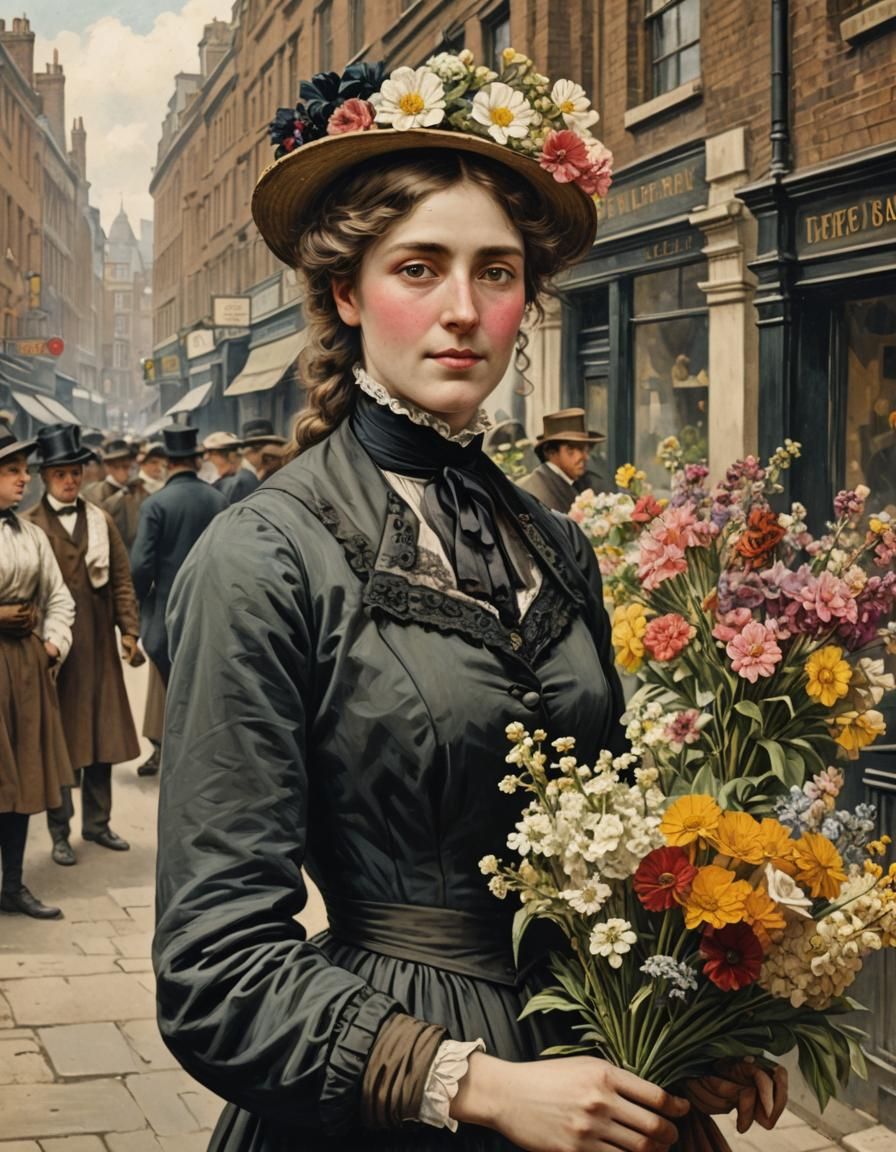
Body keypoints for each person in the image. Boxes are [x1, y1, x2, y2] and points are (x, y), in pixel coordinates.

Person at [153, 52, 787, 1152]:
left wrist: (686, 1019)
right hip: (393, 1097)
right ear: (346, 294)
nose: (461, 311)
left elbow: (611, 845)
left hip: (599, 1072)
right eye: (418, 267)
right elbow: (214, 967)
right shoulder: (261, 555)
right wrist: (479, 1086)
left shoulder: (550, 540)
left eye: (494, 273)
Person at [26, 424, 142, 866]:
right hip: (55, 655)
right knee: (60, 743)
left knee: (102, 735)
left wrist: (128, 631)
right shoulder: (31, 526)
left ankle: (98, 824)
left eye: (74, 472)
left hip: (97, 649)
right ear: (45, 478)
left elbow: (121, 581)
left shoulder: (100, 520)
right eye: (60, 474)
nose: (70, 480)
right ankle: (60, 830)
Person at [0, 421, 75, 919]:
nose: (23, 480)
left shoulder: (30, 535)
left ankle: (13, 885)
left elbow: (59, 597)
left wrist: (52, 646)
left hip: (26, 670)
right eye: (11, 471)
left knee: (23, 780)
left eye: (24, 471)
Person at [130, 425, 228, 686]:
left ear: (167, 463)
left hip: (168, 614)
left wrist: (138, 603)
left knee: (174, 689)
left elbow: (141, 566)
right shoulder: (219, 501)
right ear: (196, 462)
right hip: (212, 612)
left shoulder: (155, 505)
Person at [517, 408, 605, 513]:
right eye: (571, 449)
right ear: (550, 452)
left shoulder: (582, 481)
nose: (584, 457)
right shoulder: (538, 491)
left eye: (585, 449)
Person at [82, 438, 136, 505]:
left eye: (125, 466)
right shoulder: (94, 492)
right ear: (107, 466)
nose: (121, 471)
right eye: (116, 467)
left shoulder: (138, 488)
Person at [201, 431, 241, 499]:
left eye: (212, 453)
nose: (206, 458)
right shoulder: (221, 482)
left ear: (231, 456)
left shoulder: (237, 484)